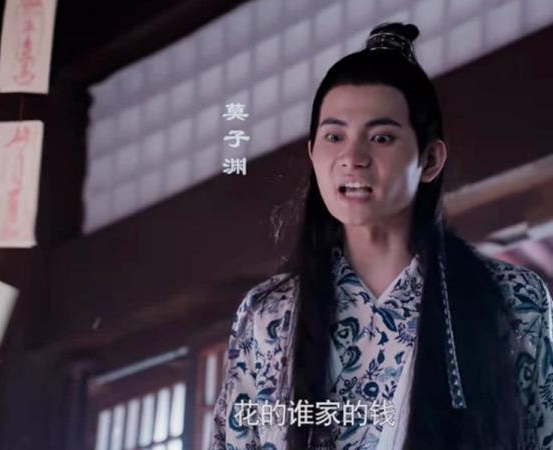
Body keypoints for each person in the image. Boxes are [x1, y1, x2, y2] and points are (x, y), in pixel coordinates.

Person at [208, 22, 553, 450]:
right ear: (313, 153)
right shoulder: (268, 313)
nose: (352, 158)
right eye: (334, 136)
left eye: (381, 137)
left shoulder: (514, 299)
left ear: (430, 159)